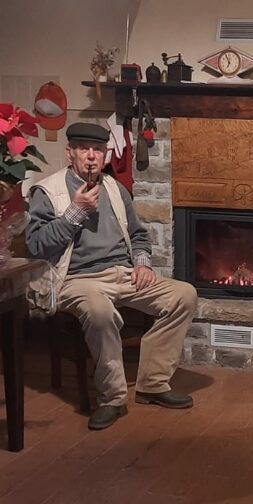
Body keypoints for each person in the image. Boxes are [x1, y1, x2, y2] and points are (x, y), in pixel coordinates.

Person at [26, 122, 198, 431]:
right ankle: (112, 398)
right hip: (75, 279)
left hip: (123, 273)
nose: (91, 156)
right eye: (83, 149)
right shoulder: (48, 191)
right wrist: (75, 212)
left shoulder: (115, 189)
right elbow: (37, 245)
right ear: (69, 153)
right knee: (100, 311)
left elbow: (138, 235)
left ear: (105, 155)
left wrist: (143, 264)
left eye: (98, 150)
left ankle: (153, 384)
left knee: (183, 295)